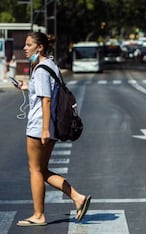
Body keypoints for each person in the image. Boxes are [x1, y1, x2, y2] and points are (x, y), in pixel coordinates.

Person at [14, 32, 91, 227]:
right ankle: (78, 197)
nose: (25, 48)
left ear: (39, 47)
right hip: (52, 124)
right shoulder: (51, 65)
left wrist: (44, 130)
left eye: (29, 44)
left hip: (39, 125)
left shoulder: (40, 69)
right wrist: (27, 87)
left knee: (35, 170)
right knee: (42, 170)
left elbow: (46, 100)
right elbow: (46, 91)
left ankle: (39, 215)